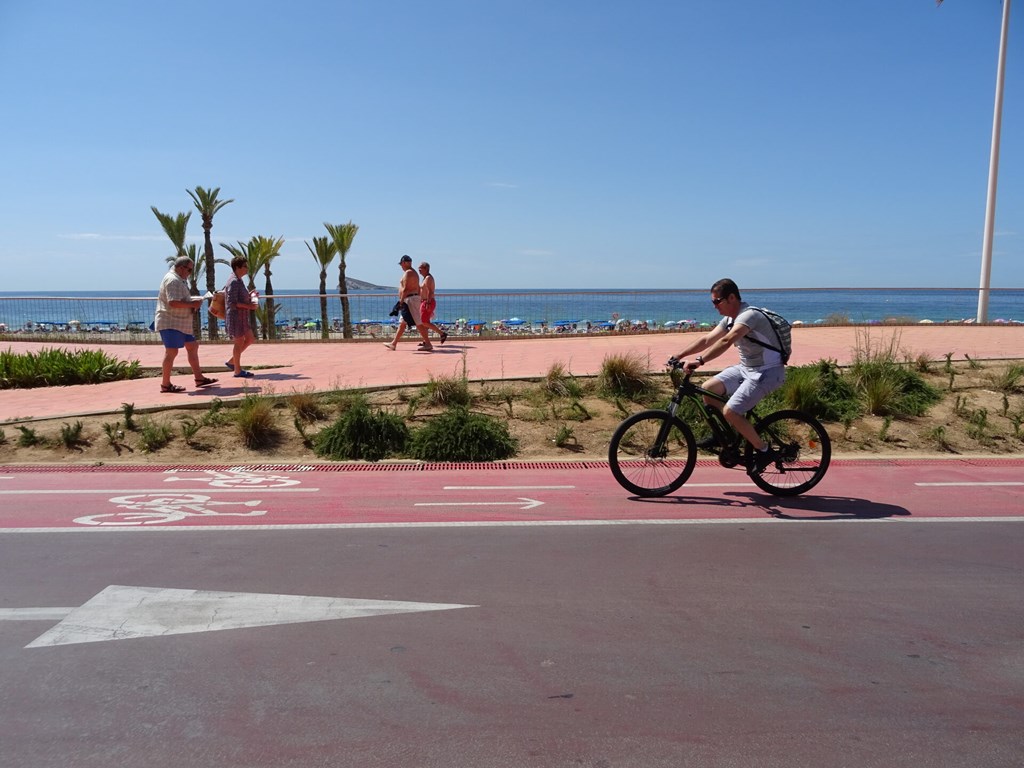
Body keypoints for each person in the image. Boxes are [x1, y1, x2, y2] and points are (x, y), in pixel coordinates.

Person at [669, 278, 786, 473]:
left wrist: (699, 361)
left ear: (732, 298)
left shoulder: (749, 316)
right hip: (746, 368)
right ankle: (723, 435)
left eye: (717, 301)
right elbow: (707, 339)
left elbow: (727, 340)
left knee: (731, 411)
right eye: (712, 302)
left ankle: (764, 450)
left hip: (767, 371)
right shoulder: (730, 319)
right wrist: (679, 355)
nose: (714, 306)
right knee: (707, 390)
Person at [154, 256, 218, 393]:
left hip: (180, 322)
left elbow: (179, 299)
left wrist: (193, 301)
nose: (190, 273)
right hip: (170, 321)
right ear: (181, 267)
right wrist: (192, 304)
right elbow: (173, 302)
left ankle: (199, 378)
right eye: (189, 270)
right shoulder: (173, 280)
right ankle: (165, 384)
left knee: (192, 346)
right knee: (171, 351)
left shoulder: (179, 279)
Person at [383, 255, 433, 351]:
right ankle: (394, 343)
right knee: (402, 323)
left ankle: (428, 344)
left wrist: (400, 302)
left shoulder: (408, 273)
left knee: (418, 323)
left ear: (405, 263)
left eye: (401, 264)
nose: (401, 266)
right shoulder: (412, 273)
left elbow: (405, 289)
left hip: (411, 300)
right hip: (410, 300)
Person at [224, 255, 259, 378]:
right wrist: (250, 306)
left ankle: (232, 362)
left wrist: (250, 295)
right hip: (236, 317)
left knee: (250, 339)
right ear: (237, 267)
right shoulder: (233, 281)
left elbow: (239, 297)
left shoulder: (239, 280)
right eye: (244, 266)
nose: (247, 269)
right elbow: (231, 302)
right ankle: (237, 370)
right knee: (238, 342)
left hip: (242, 317)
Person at [416, 260, 447, 347]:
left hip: (427, 301)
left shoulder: (428, 278)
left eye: (420, 268)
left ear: (426, 269)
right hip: (425, 301)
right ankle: (425, 341)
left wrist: (428, 303)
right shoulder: (425, 278)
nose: (419, 269)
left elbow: (430, 291)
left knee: (423, 322)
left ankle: (442, 333)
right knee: (425, 323)